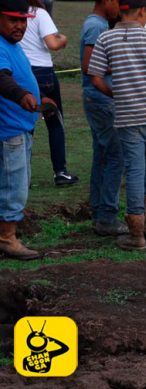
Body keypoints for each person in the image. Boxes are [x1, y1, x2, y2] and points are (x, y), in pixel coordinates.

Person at [88, 0, 146, 250]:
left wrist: (117, 94)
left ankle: (136, 234)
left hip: (129, 116)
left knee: (135, 168)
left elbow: (95, 79)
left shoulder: (106, 39)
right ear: (141, 11)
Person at [0, 0, 52, 260]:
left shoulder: (12, 45)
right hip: (8, 131)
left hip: (20, 127)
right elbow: (2, 78)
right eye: (13, 20)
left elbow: (19, 75)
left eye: (23, 20)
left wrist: (39, 95)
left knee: (16, 183)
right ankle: (7, 239)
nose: (20, 25)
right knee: (13, 187)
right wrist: (21, 95)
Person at [19, 0, 79, 186]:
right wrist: (64, 39)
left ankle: (23, 174)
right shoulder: (39, 14)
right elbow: (52, 43)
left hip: (22, 72)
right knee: (54, 122)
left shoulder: (14, 15)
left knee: (26, 124)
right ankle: (60, 172)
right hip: (43, 73)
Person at [80, 0, 126, 236]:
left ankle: (98, 211)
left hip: (95, 98)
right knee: (116, 155)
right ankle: (107, 215)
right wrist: (121, 64)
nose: (120, 9)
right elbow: (89, 66)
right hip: (100, 98)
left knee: (102, 154)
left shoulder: (96, 24)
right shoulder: (96, 27)